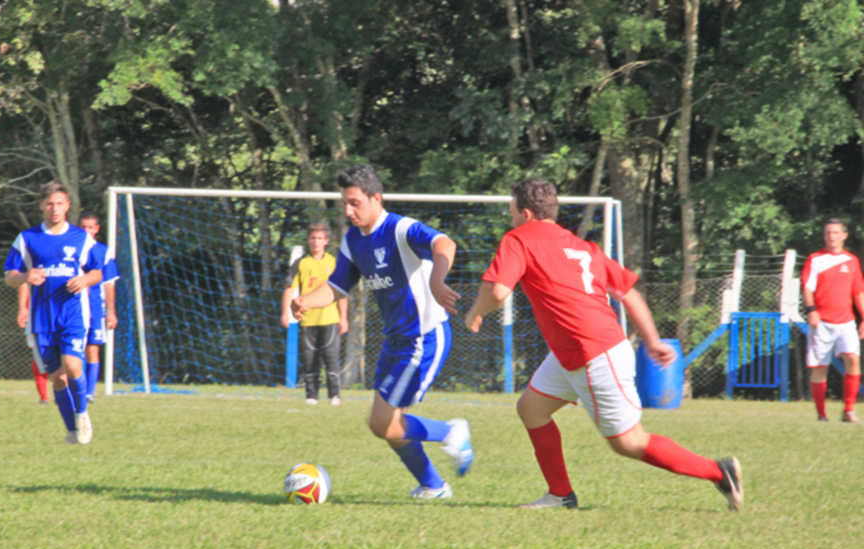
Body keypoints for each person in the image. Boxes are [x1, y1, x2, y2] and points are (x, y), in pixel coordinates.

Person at [464, 179, 743, 511]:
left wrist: (474, 313)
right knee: (531, 409)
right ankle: (560, 495)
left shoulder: (519, 238)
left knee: (629, 442)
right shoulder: (583, 247)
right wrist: (651, 341)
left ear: (525, 213)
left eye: (512, 213)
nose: (510, 220)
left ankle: (719, 471)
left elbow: (496, 292)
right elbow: (629, 293)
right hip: (575, 352)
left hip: (593, 353)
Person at [291, 164, 474, 499]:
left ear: (376, 198)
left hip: (423, 338)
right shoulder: (352, 241)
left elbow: (444, 243)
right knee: (389, 425)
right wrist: (306, 300)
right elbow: (336, 286)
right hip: (396, 340)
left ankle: (451, 433)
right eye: (344, 203)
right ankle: (433, 486)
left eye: (355, 203)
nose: (348, 210)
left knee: (382, 422)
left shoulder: (400, 229)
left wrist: (437, 279)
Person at [5, 181, 103, 445]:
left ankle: (82, 414)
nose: (54, 208)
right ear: (41, 206)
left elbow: (97, 271)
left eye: (60, 203)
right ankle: (72, 429)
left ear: (68, 206)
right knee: (57, 378)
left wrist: (85, 281)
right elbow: (10, 277)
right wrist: (26, 275)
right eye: (49, 203)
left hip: (72, 315)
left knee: (72, 365)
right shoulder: (27, 238)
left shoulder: (81, 237)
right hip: (42, 318)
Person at [801, 218, 864, 422]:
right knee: (820, 367)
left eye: (836, 232)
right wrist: (812, 310)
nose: (832, 236)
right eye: (828, 233)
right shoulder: (815, 259)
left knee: (853, 360)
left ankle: (848, 410)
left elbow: (858, 291)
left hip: (846, 322)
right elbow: (807, 288)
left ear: (844, 235)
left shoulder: (852, 261)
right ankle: (822, 415)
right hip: (823, 323)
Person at [281, 223, 349, 405]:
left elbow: (341, 292)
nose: (316, 241)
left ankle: (334, 395)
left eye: (320, 238)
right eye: (313, 238)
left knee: (331, 357)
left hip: (330, 319)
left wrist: (344, 318)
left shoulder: (333, 262)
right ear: (308, 240)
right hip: (307, 319)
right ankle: (312, 396)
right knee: (310, 359)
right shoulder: (301, 263)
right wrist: (285, 313)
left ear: (326, 241)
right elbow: (289, 289)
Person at [78, 210, 120, 402]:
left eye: (90, 227)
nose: (86, 231)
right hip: (74, 308)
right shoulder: (71, 248)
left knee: (92, 349)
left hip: (95, 308)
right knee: (74, 350)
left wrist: (111, 312)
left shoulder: (103, 251)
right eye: (82, 227)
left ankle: (89, 393)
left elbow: (109, 282)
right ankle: (76, 388)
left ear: (96, 229)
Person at [16, 283, 50, 404]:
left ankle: (66, 395)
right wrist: (23, 309)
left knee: (66, 358)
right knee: (39, 357)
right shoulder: (33, 264)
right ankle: (44, 397)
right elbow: (23, 281)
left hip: (61, 316)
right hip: (35, 317)